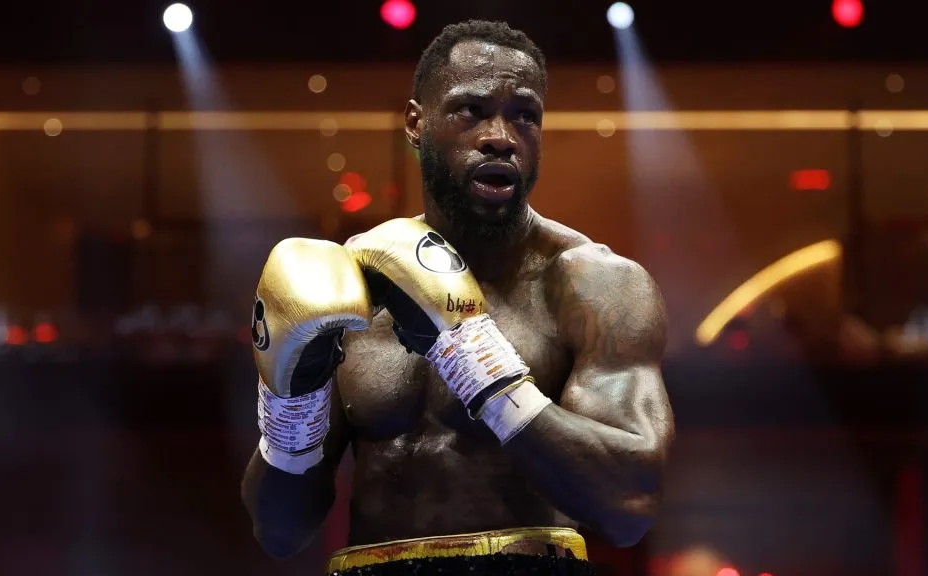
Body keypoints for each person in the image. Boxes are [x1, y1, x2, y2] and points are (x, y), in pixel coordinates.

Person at [242, 20, 674, 575]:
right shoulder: (350, 286)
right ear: (416, 123)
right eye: (471, 110)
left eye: (524, 115)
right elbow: (279, 532)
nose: (501, 135)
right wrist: (291, 406)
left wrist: (475, 359)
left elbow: (629, 506)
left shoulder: (595, 285)